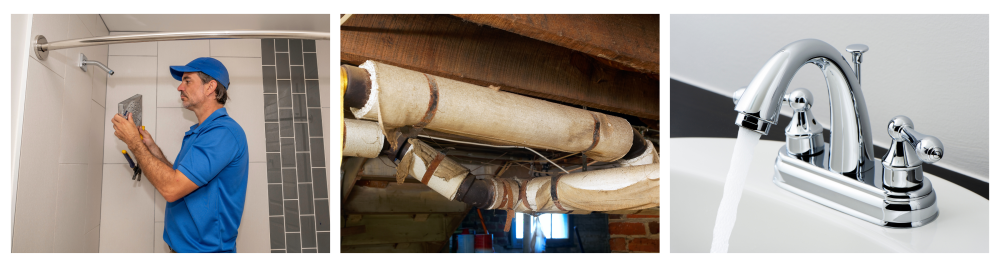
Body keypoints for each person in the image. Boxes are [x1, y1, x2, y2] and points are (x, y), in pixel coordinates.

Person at [111, 57, 249, 253]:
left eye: (187, 80)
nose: (179, 87)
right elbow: (177, 177)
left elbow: (171, 188)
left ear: (210, 87)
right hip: (181, 247)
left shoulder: (223, 133)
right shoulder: (200, 132)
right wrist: (150, 148)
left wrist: (133, 143)